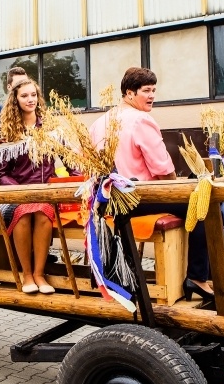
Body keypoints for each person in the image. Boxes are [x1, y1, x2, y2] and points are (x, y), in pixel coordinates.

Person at [89, 67, 213, 301]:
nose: (152, 95)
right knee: (200, 204)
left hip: (108, 200)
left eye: (154, 90)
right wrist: (175, 188)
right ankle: (197, 276)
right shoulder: (141, 119)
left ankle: (197, 275)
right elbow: (162, 168)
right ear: (129, 93)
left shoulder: (99, 122)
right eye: (146, 90)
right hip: (137, 198)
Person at [0, 78, 70, 295]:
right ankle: (26, 274)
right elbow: (1, 174)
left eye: (33, 95)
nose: (30, 100)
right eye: (24, 96)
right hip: (18, 193)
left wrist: (77, 179)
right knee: (25, 212)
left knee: (44, 212)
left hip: (46, 191)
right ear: (15, 100)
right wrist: (22, 192)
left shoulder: (49, 126)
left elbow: (68, 158)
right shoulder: (8, 130)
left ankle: (39, 273)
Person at [0, 67, 28, 159]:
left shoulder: (38, 109)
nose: (23, 88)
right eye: (18, 85)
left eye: (26, 84)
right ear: (9, 87)